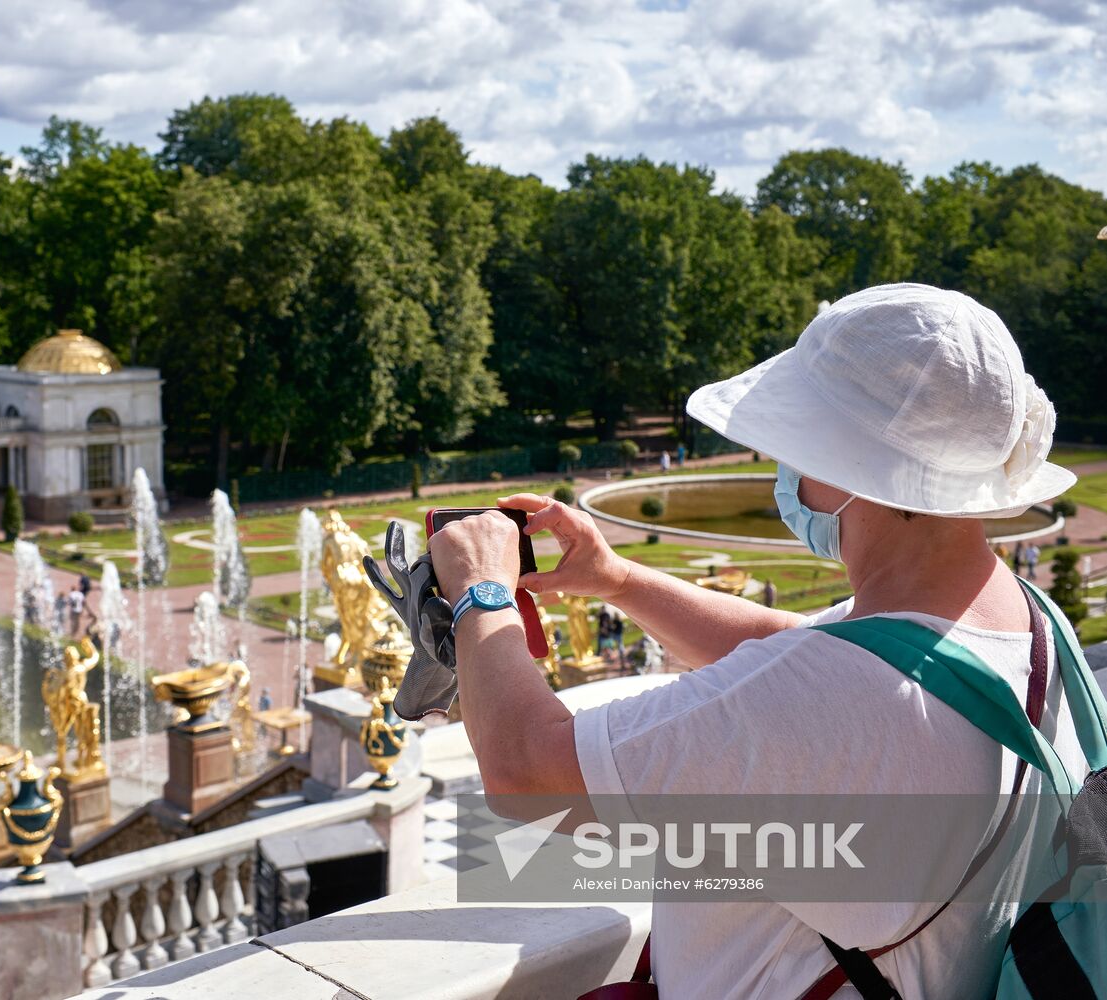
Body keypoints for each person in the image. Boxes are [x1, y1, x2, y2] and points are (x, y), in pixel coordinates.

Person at [428, 285, 1088, 998]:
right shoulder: (1027, 621)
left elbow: (528, 777)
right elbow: (809, 648)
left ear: (846, 469)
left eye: (799, 446)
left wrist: (480, 590)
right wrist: (616, 579)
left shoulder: (836, 698)